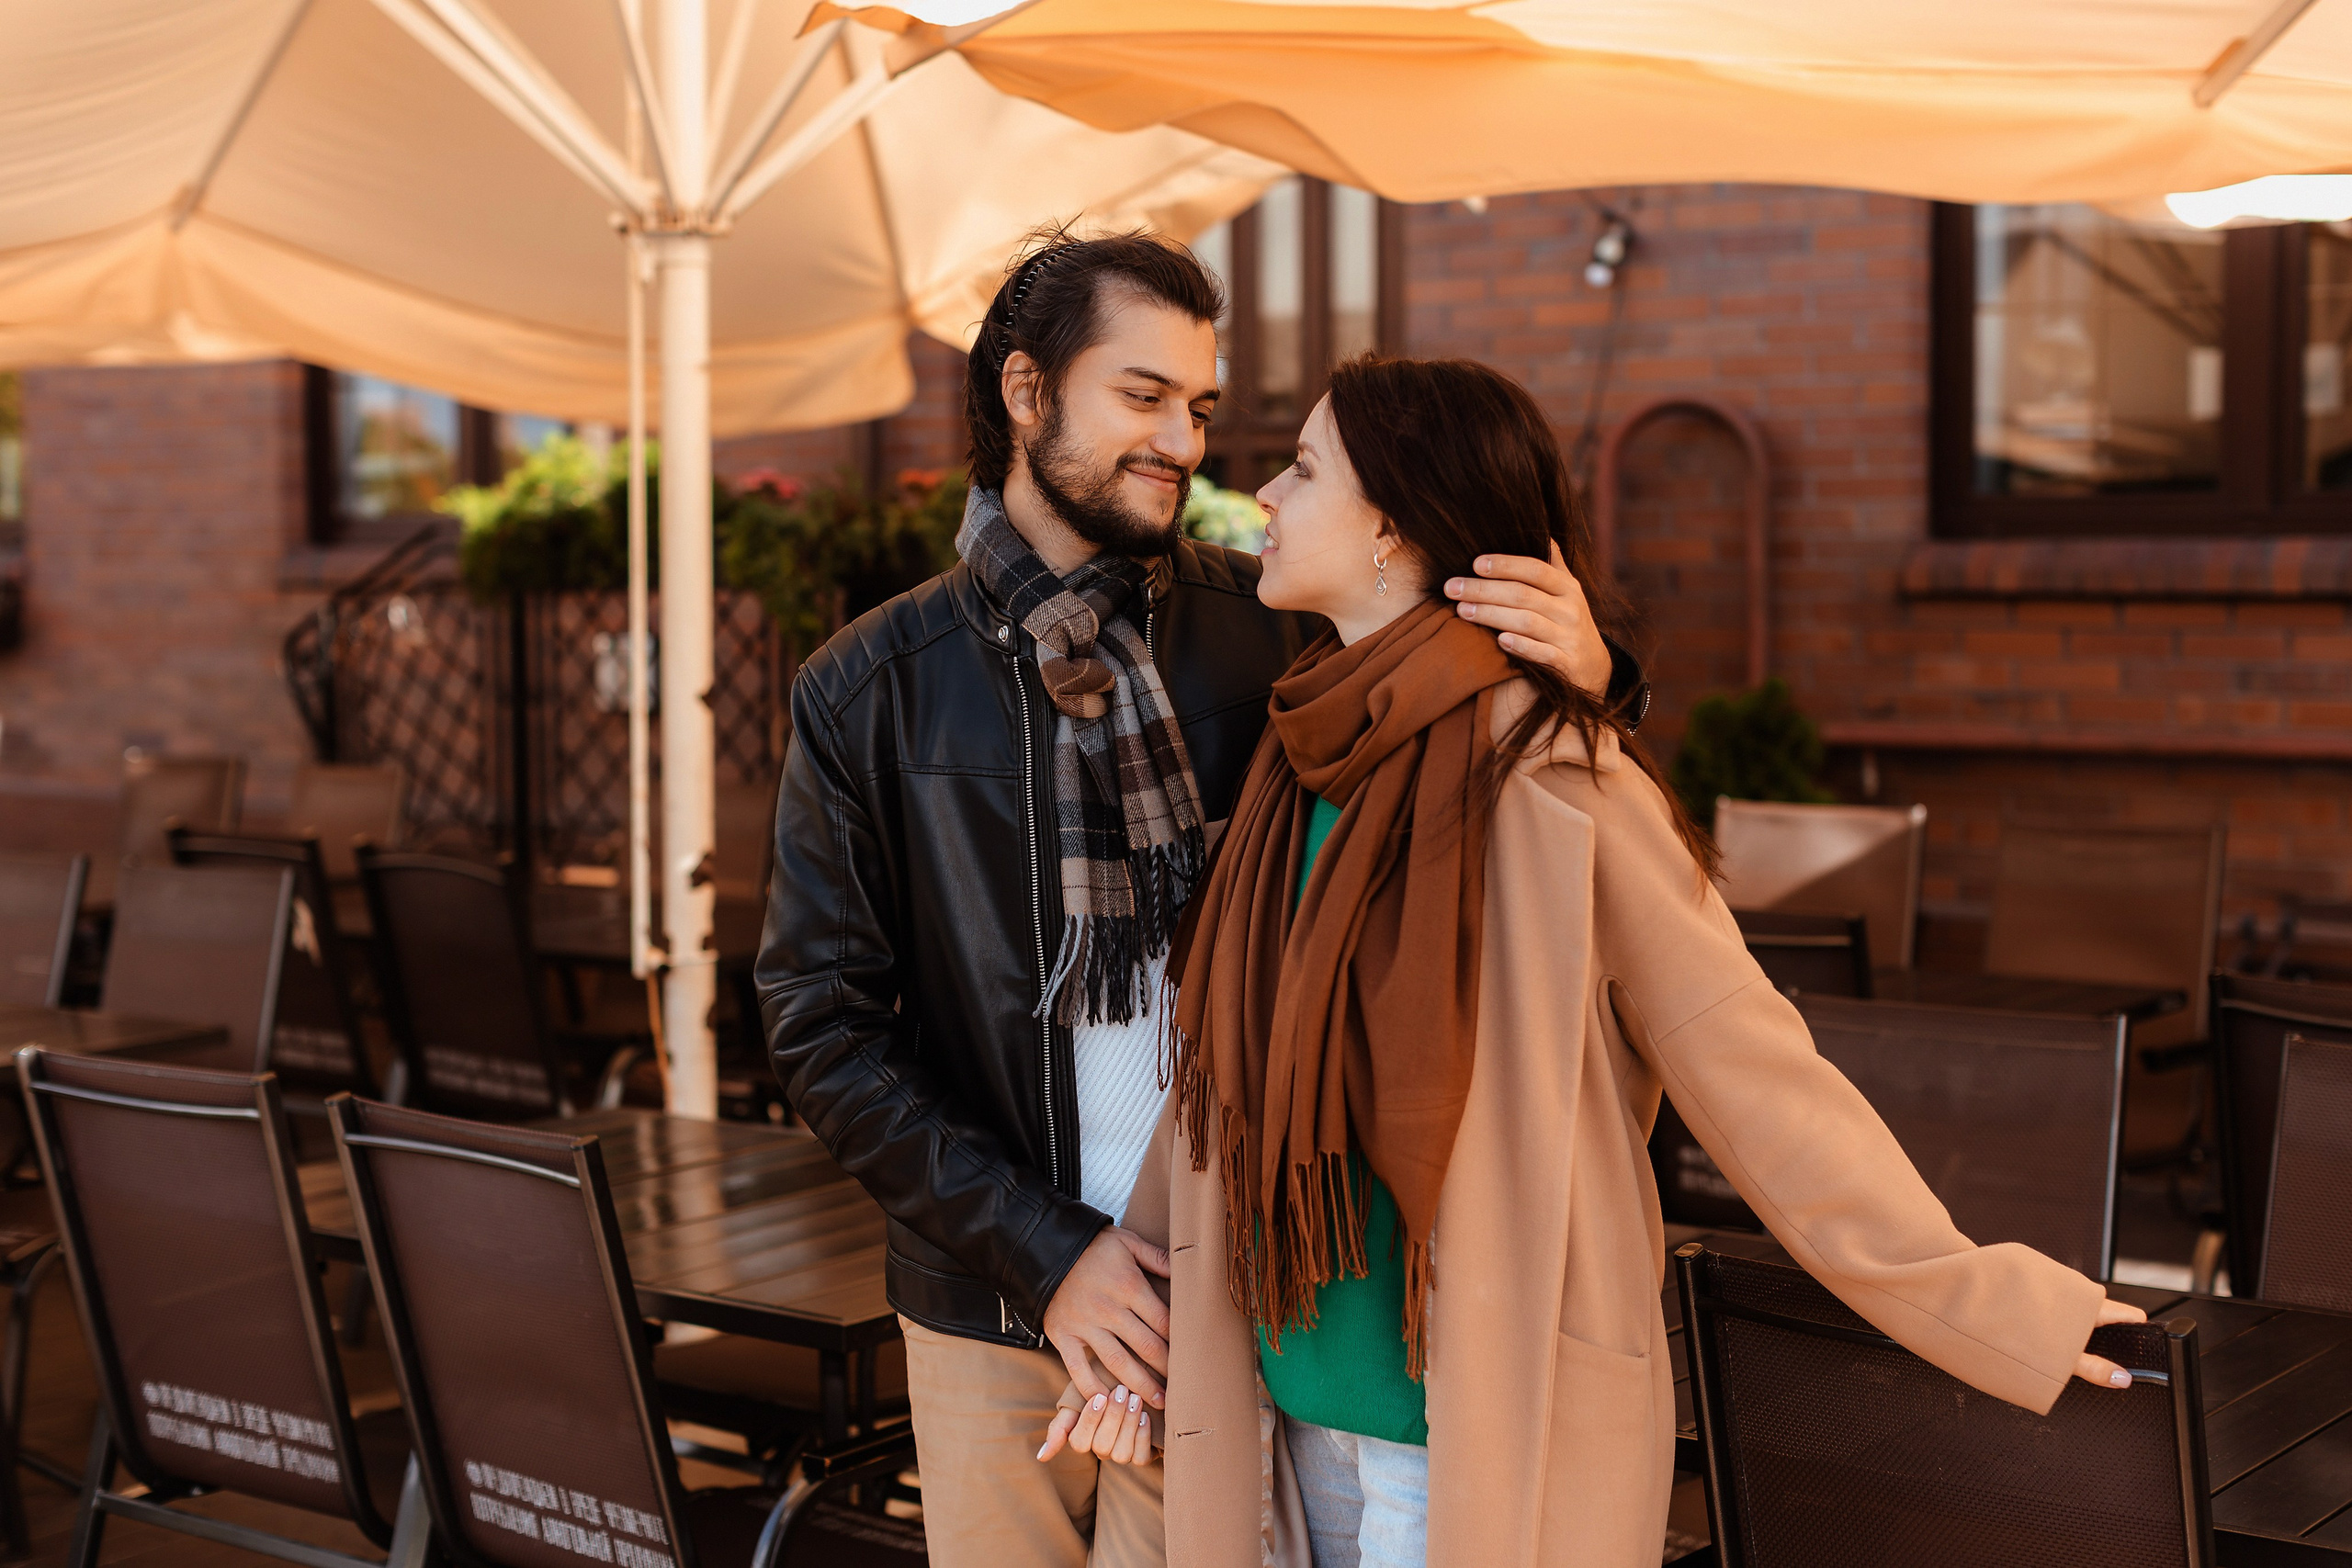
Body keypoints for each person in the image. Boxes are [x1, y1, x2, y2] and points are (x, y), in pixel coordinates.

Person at [1045, 355, 2147, 1568]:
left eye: (1303, 469)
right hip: (1283, 1426)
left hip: (1465, 1439)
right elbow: (1220, 1073)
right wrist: (1142, 1325)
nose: (1262, 493)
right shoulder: (1296, 760)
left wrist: (1987, 1305)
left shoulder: (1556, 779)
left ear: (1394, 526)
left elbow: (1755, 1069)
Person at [758, 232, 1646, 1568]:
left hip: (1225, 1293)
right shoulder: (867, 689)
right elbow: (821, 1025)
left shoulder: (1277, 624)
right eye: (1145, 396)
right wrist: (1048, 1253)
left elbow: (1485, 752)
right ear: (1027, 394)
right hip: (986, 1298)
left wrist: (1599, 677)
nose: (1185, 441)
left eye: (1202, 407)